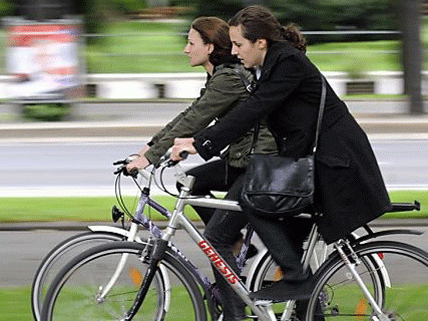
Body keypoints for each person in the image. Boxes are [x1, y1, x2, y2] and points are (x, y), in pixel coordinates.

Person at [171, 4, 392, 307]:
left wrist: (202, 142)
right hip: (311, 158)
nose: (234, 52)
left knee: (254, 199)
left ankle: (296, 280)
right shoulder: (271, 64)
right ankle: (303, 298)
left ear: (260, 41)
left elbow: (254, 110)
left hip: (335, 161)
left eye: (238, 44)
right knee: (282, 226)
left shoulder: (289, 63)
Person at [126, 16, 277, 321]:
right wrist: (150, 146)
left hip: (258, 165)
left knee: (214, 239)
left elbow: (197, 119)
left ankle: (234, 314)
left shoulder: (229, 78)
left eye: (191, 43)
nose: (185, 49)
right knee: (191, 179)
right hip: (241, 160)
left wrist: (153, 155)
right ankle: (235, 242)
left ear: (209, 47)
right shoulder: (220, 75)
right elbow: (190, 114)